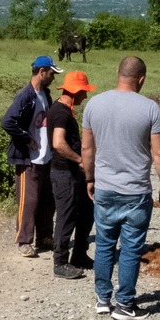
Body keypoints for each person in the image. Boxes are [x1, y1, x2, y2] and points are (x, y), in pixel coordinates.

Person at [80, 55, 160, 320]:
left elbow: (87, 148)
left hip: (105, 188)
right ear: (141, 79)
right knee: (131, 248)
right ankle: (125, 305)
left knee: (105, 244)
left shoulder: (94, 104)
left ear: (117, 73)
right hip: (136, 191)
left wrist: (89, 178)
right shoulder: (150, 108)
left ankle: (102, 299)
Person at [1, 55, 60, 257]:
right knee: (29, 201)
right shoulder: (25, 96)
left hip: (46, 156)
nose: (54, 78)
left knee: (47, 200)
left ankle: (44, 238)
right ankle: (24, 241)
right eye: (52, 73)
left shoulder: (45, 94)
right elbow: (8, 121)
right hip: (28, 158)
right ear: (42, 72)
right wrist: (26, 139)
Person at [47, 69, 97, 279]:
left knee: (86, 211)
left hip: (73, 175)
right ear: (75, 91)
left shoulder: (66, 110)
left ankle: (79, 255)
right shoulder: (60, 112)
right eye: (83, 92)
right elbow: (58, 143)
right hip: (64, 174)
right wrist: (79, 160)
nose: (85, 96)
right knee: (66, 216)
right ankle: (60, 262)